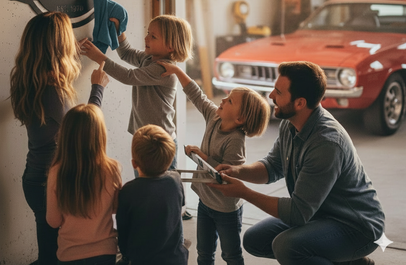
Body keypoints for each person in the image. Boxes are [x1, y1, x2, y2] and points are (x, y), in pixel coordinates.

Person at [209, 61, 385, 265]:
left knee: (287, 246)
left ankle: (348, 254)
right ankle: (350, 261)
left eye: (278, 92)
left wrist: (244, 192)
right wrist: (238, 171)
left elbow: (297, 213)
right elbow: (272, 167)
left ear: (300, 103)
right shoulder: (290, 124)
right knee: (254, 240)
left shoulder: (326, 144)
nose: (271, 96)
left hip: (356, 227)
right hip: (319, 214)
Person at [10, 11, 109, 265]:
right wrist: (98, 88)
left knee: (49, 252)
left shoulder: (28, 79)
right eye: (68, 39)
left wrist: (77, 52)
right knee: (55, 257)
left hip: (35, 178)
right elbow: (83, 132)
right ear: (57, 46)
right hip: (48, 184)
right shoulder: (53, 90)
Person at [158, 61, 270, 265]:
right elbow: (196, 94)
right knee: (204, 253)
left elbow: (227, 174)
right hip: (205, 201)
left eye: (230, 101)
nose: (223, 99)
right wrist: (177, 70)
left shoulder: (235, 140)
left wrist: (201, 155)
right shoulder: (214, 117)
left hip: (226, 209)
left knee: (231, 255)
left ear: (240, 119)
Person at [80, 14, 193, 172]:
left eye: (153, 36)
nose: (146, 38)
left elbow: (128, 77)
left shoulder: (163, 69)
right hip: (144, 139)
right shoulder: (148, 59)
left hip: (159, 144)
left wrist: (99, 57)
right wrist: (120, 33)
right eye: (148, 33)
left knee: (157, 191)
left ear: (170, 46)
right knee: (143, 184)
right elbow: (126, 53)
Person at [46, 104, 122, 265]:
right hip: (105, 253)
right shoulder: (113, 168)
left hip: (69, 255)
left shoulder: (56, 172)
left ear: (66, 135)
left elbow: (53, 221)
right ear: (100, 135)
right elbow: (117, 211)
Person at [116, 124, 189, 265]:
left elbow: (123, 234)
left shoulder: (128, 192)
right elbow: (177, 214)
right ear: (169, 161)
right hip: (175, 259)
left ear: (134, 163)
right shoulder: (175, 180)